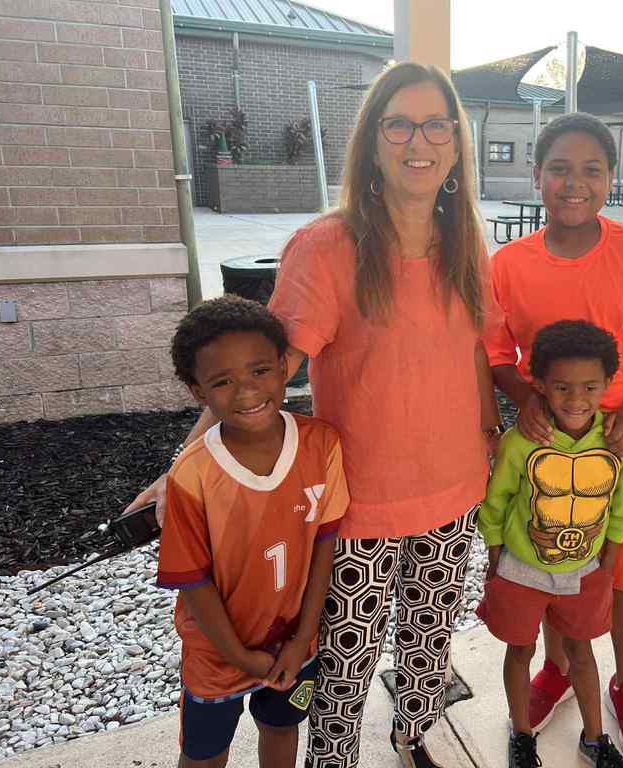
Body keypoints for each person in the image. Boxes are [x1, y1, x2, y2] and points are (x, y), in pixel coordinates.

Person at [129, 62, 501, 768]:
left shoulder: (466, 245)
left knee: (428, 644)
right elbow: (265, 378)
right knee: (341, 671)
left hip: (455, 491)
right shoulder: (327, 247)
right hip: (355, 505)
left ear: (455, 143)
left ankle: (412, 737)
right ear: (372, 140)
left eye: (435, 124)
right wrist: (184, 465)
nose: (417, 140)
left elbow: (476, 353)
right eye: (399, 123)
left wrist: (494, 437)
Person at [484, 112, 623, 767]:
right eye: (558, 168)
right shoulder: (510, 265)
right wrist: (525, 404)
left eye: (590, 170)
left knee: (619, 570)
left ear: (611, 177)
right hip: (547, 448)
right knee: (550, 558)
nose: (573, 183)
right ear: (537, 174)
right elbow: (496, 351)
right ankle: (555, 668)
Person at [156, 295, 349, 768]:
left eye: (260, 371)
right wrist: (239, 655)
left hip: (293, 646)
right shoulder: (193, 473)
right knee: (204, 753)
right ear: (198, 392)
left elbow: (324, 545)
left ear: (285, 367)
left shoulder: (322, 443)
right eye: (222, 381)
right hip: (218, 656)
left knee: (282, 730)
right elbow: (193, 579)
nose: (245, 392)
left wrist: (304, 636)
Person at [477, 320, 623, 768]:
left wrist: (609, 561)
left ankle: (595, 738)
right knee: (520, 650)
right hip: (518, 570)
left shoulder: (617, 442)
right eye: (562, 387)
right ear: (540, 385)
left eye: (590, 387)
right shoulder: (521, 442)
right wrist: (495, 557)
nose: (576, 399)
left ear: (607, 383)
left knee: (582, 653)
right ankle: (522, 735)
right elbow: (496, 500)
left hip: (584, 571)